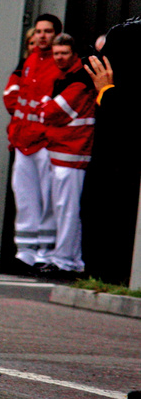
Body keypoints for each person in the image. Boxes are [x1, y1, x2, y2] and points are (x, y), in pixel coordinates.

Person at [82, 18, 141, 283]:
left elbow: (127, 119)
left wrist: (106, 91)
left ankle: (110, 275)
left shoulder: (118, 88)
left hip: (122, 166)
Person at [4, 14, 62, 271]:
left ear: (57, 34)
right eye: (38, 31)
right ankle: (25, 252)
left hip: (45, 142)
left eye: (48, 31)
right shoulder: (29, 61)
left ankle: (45, 253)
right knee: (26, 199)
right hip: (23, 141)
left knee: (48, 199)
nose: (41, 35)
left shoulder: (62, 64)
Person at [39, 33, 94, 279]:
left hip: (72, 153)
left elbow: (53, 111)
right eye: (56, 53)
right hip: (64, 153)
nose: (59, 58)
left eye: (63, 53)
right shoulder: (69, 78)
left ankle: (64, 261)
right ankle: (69, 260)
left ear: (73, 54)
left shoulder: (79, 81)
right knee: (65, 210)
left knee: (67, 211)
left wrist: (44, 104)